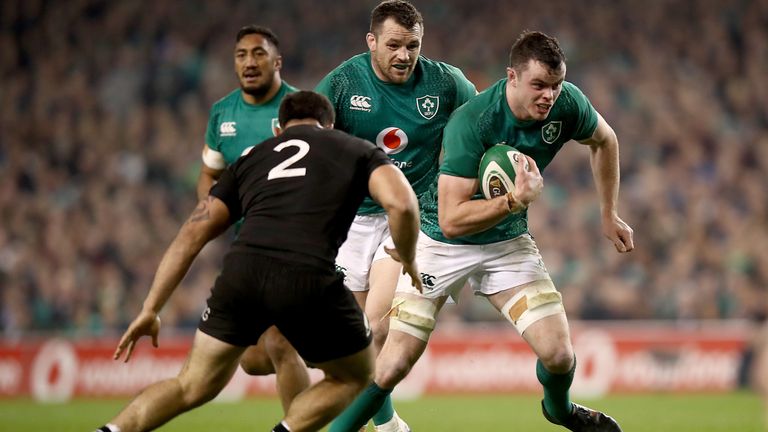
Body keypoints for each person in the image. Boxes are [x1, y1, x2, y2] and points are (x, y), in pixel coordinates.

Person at [332, 30, 635, 432]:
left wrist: (608, 213)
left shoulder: (567, 104)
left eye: (556, 85)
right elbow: (450, 219)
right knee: (391, 366)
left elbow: (605, 139)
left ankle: (561, 412)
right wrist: (514, 201)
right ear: (512, 77)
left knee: (559, 356)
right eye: (539, 85)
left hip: (506, 243)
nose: (549, 95)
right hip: (440, 245)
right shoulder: (473, 122)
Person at [93, 91, 422, 432]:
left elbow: (191, 236)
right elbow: (401, 204)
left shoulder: (251, 158)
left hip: (241, 273)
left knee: (190, 384)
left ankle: (110, 430)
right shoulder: (354, 149)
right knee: (355, 373)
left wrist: (151, 308)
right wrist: (408, 257)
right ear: (329, 125)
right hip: (306, 273)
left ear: (278, 130)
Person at [237, 2, 476, 431]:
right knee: (348, 341)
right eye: (394, 45)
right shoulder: (344, 83)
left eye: (413, 45)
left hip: (407, 212)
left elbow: (481, 121)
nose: (405, 55)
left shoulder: (445, 81)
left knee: (377, 324)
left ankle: (366, 427)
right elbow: (305, 140)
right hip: (349, 221)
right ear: (371, 42)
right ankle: (386, 423)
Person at [195, 24, 309, 413]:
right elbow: (210, 172)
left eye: (259, 53)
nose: (249, 62)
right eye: (241, 55)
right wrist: (210, 211)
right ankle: (335, 365)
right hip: (249, 251)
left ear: (277, 61)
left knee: (279, 342)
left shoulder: (301, 108)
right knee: (253, 358)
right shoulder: (222, 113)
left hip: (299, 248)